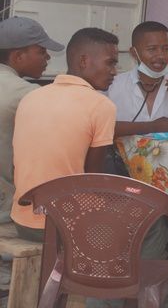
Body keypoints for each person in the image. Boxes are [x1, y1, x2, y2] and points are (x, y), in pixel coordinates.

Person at [11, 28, 118, 240]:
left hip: (22, 220)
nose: (115, 71)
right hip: (63, 225)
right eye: (110, 63)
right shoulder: (101, 105)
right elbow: (92, 178)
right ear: (84, 61)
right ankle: (109, 272)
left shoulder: (32, 96)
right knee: (151, 224)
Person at [0, 17, 64, 222]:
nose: (47, 58)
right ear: (18, 56)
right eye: (41, 51)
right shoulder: (27, 93)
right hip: (5, 203)